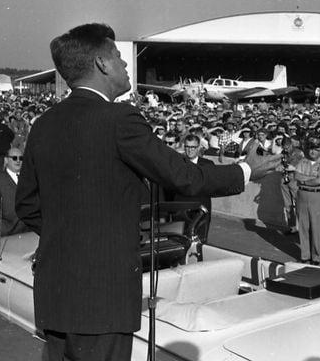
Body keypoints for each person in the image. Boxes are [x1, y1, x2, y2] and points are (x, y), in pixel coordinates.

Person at [15, 23, 278, 361]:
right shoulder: (119, 118)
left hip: (56, 296)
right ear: (102, 64)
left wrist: (75, 235)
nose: (125, 66)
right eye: (119, 58)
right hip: (102, 300)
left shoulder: (44, 123)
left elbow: (28, 205)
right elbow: (184, 177)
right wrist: (245, 170)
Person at [169, 134, 214, 243]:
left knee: (199, 243)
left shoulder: (208, 165)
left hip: (200, 210)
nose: (190, 150)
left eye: (193, 147)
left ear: (198, 147)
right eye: (187, 147)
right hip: (180, 209)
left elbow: (211, 186)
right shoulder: (177, 163)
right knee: (177, 242)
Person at [294, 137, 320, 264]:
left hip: (317, 197)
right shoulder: (302, 162)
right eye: (311, 149)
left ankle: (316, 257)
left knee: (316, 228)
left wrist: (304, 180)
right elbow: (296, 176)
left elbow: (319, 181)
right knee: (303, 226)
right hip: (302, 195)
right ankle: (305, 255)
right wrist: (310, 179)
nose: (312, 152)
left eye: (316, 149)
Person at [0, 147, 29, 238]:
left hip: (27, 231)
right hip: (7, 234)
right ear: (6, 160)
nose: (18, 161)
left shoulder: (28, 180)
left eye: (21, 158)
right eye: (14, 158)